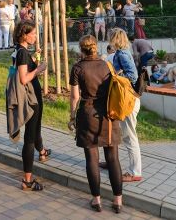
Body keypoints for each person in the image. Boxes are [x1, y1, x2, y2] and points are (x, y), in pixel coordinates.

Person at [69, 34, 123, 213]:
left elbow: (75, 97)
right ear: (95, 47)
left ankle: (97, 200)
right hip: (108, 115)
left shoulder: (77, 68)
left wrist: (71, 116)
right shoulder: (108, 65)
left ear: (81, 48)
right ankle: (117, 201)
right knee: (113, 158)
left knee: (92, 158)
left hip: (88, 115)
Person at [11, 21, 51, 191]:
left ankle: (41, 152)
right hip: (31, 100)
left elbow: (24, 66)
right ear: (24, 35)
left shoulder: (22, 52)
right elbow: (23, 78)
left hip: (33, 98)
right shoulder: (21, 53)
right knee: (29, 139)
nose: (35, 36)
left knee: (34, 133)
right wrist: (40, 68)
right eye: (33, 33)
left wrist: (33, 58)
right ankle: (27, 180)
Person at [106, 28, 142, 182]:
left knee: (129, 136)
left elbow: (132, 76)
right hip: (128, 99)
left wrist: (116, 77)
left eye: (109, 38)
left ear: (114, 39)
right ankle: (112, 163)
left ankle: (135, 172)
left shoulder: (122, 54)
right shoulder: (124, 52)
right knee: (122, 134)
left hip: (128, 100)